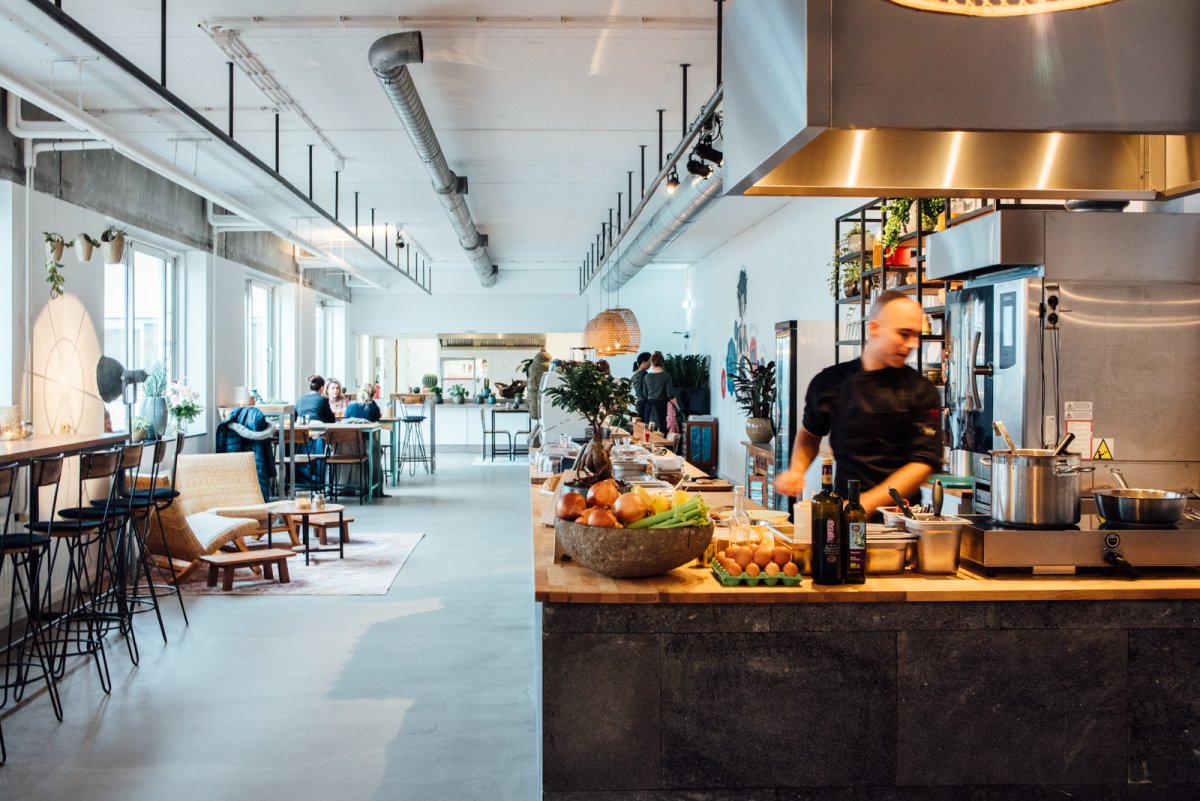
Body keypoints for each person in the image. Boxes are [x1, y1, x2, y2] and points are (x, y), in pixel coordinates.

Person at [776, 291, 941, 518]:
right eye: (904, 334)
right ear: (874, 328)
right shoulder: (831, 382)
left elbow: (922, 464)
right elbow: (810, 433)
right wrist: (796, 470)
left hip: (899, 521)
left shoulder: (921, 391)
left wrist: (863, 505)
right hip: (844, 515)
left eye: (916, 335)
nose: (912, 344)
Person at [640, 351, 675, 433]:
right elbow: (670, 395)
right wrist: (678, 408)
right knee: (663, 431)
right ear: (662, 362)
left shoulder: (647, 377)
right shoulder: (666, 376)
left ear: (652, 362)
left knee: (647, 431)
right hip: (662, 406)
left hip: (649, 406)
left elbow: (645, 394)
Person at [630, 351, 651, 421]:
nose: (651, 364)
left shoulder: (635, 374)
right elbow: (644, 392)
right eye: (649, 362)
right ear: (643, 362)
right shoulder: (644, 374)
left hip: (638, 405)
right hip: (644, 405)